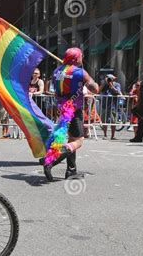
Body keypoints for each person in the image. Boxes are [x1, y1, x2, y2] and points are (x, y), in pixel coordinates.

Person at [43, 47, 99, 181]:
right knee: (78, 141)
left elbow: (56, 92)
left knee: (71, 139)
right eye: (81, 56)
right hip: (75, 110)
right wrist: (90, 80)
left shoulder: (57, 71)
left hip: (63, 109)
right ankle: (51, 161)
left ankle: (71, 170)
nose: (82, 57)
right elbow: (95, 88)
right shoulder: (80, 72)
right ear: (76, 58)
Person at [99, 74, 122, 140]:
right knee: (104, 121)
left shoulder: (117, 84)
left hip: (113, 105)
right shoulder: (104, 84)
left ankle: (113, 136)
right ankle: (105, 135)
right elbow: (98, 91)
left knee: (113, 121)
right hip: (104, 105)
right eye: (107, 78)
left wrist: (111, 86)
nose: (108, 80)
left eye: (109, 78)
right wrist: (103, 84)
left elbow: (118, 92)